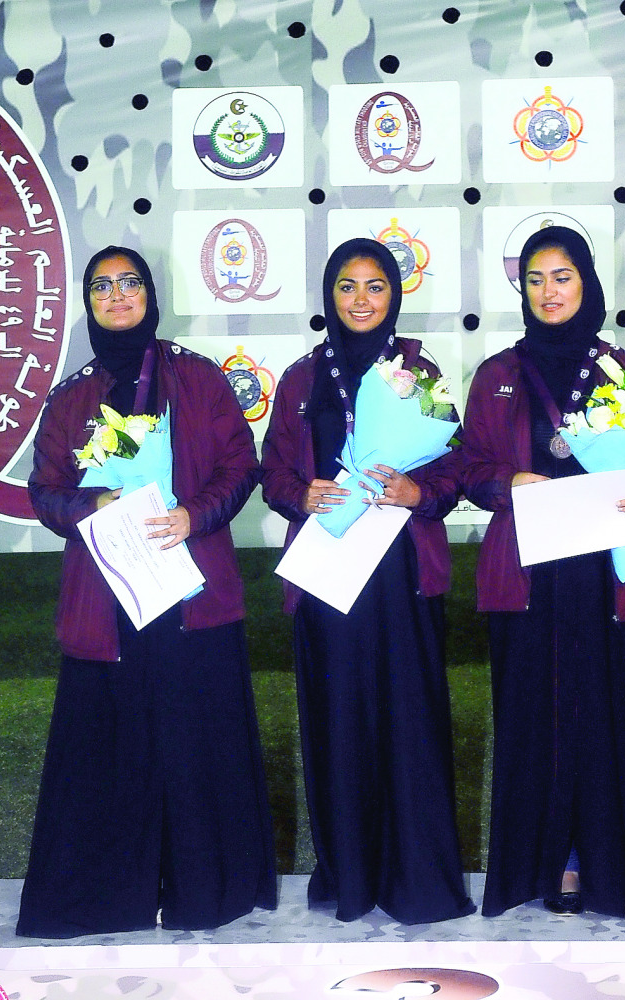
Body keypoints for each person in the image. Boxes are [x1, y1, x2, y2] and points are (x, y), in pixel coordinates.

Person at [461, 226, 625, 919]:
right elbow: (468, 466)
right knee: (537, 720)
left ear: (588, 283)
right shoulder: (496, 376)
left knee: (610, 718)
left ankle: (616, 862)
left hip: (610, 573)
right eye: (536, 280)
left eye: (563, 277)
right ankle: (553, 865)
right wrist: (507, 480)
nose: (549, 292)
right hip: (529, 575)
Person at [17, 246, 276, 938]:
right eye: (102, 286)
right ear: (88, 302)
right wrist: (92, 507)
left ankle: (204, 893)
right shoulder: (71, 396)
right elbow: (45, 492)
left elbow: (239, 465)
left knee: (197, 745)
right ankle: (108, 898)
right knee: (109, 749)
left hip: (190, 594)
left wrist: (194, 515)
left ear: (150, 294)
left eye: (130, 282)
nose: (117, 295)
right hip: (108, 602)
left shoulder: (197, 377)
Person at [261, 237, 474, 925]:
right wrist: (304, 495)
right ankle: (349, 874)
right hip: (329, 575)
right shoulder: (300, 378)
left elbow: (457, 463)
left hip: (403, 571)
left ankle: (417, 878)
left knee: (411, 722)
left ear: (395, 294)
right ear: (329, 298)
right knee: (339, 722)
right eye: (347, 287)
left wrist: (419, 491)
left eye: (375, 286)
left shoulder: (422, 371)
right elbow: (273, 473)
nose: (360, 300)